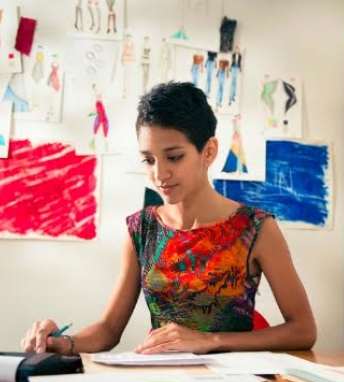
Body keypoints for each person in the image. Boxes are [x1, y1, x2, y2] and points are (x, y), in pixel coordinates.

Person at [21, 81, 317, 356]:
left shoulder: (256, 228)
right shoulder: (141, 229)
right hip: (163, 378)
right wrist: (60, 343)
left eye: (174, 157)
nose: (159, 174)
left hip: (234, 381)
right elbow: (109, 329)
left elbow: (303, 330)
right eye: (148, 160)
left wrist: (210, 340)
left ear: (209, 152)